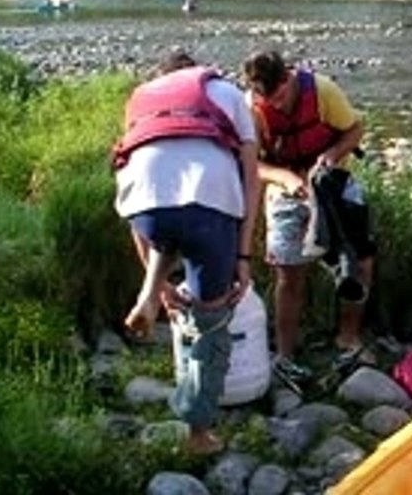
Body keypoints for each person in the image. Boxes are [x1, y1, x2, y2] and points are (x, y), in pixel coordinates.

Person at [112, 49, 259, 454]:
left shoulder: (141, 98)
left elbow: (133, 185)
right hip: (209, 204)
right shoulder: (225, 92)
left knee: (168, 223)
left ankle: (148, 293)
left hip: (145, 208)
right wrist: (243, 259)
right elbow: (251, 178)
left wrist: (158, 289)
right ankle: (199, 434)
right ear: (197, 73)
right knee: (212, 320)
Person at [242, 50, 375, 385]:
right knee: (289, 272)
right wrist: (286, 179)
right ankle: (285, 354)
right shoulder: (252, 107)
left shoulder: (323, 91)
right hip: (286, 189)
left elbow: (356, 129)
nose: (277, 104)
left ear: (288, 78)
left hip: (333, 183)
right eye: (267, 99)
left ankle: (348, 337)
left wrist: (331, 155)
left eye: (281, 96)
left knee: (360, 261)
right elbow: (252, 164)